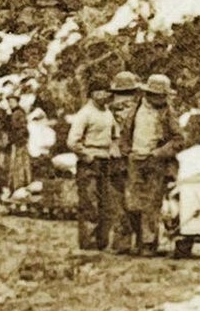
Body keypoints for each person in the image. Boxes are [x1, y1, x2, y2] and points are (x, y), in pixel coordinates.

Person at [122, 73, 183, 256]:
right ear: (149, 94)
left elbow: (179, 139)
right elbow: (126, 133)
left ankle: (148, 244)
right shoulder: (135, 109)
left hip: (156, 162)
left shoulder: (168, 112)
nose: (161, 99)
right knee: (132, 204)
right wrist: (127, 151)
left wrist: (160, 152)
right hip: (135, 160)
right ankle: (141, 239)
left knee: (151, 205)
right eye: (158, 95)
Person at [66, 78, 118, 251]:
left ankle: (102, 242)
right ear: (93, 93)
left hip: (106, 160)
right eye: (102, 91)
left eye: (107, 92)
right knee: (90, 203)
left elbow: (115, 135)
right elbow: (72, 141)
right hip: (90, 161)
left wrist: (113, 150)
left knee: (106, 203)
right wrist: (86, 155)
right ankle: (88, 242)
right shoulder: (85, 113)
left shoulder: (107, 112)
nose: (105, 95)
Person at [106, 71, 142, 253]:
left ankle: (122, 242)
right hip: (136, 157)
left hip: (115, 159)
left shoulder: (108, 110)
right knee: (137, 200)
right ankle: (143, 241)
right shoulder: (140, 110)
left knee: (118, 202)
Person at [6, 95, 32, 195]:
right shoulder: (14, 113)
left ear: (17, 102)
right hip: (17, 141)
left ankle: (19, 188)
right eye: (9, 102)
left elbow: (22, 128)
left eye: (12, 101)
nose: (10, 104)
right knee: (18, 165)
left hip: (19, 142)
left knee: (19, 165)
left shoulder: (18, 113)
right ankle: (18, 188)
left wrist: (18, 139)